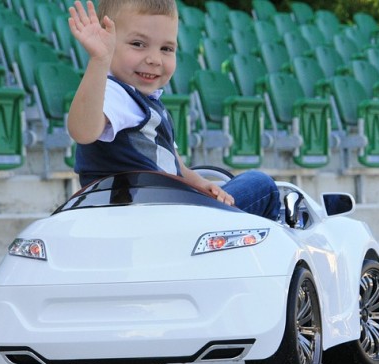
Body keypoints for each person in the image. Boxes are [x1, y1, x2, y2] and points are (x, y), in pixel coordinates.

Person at [66, 0, 280, 220]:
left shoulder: (149, 101)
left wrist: (202, 184)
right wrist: (99, 60)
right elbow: (83, 131)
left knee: (234, 186)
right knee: (262, 185)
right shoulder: (114, 93)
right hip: (152, 215)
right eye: (138, 44)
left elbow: (177, 167)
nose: (154, 59)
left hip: (167, 209)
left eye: (166, 49)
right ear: (107, 39)